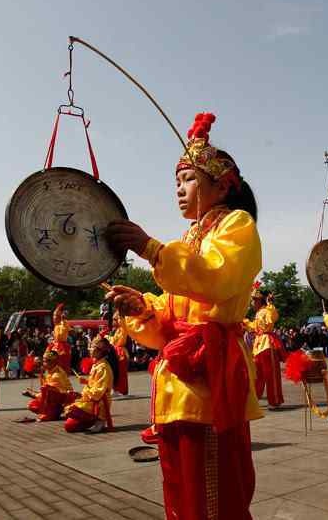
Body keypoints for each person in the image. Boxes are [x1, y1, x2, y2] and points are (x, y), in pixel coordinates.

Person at [105, 112, 263, 520]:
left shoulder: (237, 225)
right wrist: (142, 307)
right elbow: (172, 316)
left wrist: (153, 250)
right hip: (178, 382)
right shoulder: (188, 241)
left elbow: (214, 278)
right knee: (181, 492)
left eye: (188, 179)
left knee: (216, 492)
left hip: (212, 377)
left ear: (222, 183)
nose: (178, 189)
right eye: (177, 181)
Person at [245, 285, 285, 409]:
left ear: (259, 301)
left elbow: (273, 318)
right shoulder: (258, 313)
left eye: (254, 300)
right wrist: (244, 322)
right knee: (258, 375)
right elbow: (254, 327)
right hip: (258, 345)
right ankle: (255, 399)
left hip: (267, 345)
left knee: (271, 374)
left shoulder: (266, 310)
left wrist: (271, 304)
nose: (252, 303)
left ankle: (275, 400)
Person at [26, 350, 75, 422]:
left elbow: (48, 391)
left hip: (62, 400)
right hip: (53, 400)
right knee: (32, 405)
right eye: (43, 361)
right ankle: (51, 412)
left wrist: (32, 395)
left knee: (46, 388)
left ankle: (50, 414)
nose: (43, 364)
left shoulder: (57, 375)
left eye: (45, 361)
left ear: (53, 362)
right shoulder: (49, 371)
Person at [47, 303, 72, 374]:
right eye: (54, 316)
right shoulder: (56, 326)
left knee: (61, 363)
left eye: (56, 316)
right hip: (55, 345)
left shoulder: (64, 323)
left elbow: (64, 332)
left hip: (62, 346)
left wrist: (63, 320)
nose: (54, 318)